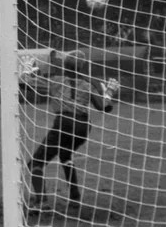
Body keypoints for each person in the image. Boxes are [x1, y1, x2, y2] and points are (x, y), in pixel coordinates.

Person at [26, 50, 119, 212]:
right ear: (82, 68)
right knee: (65, 156)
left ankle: (42, 203)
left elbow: (26, 83)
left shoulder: (56, 81)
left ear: (64, 65)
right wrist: (110, 91)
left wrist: (28, 69)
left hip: (65, 122)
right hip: (83, 126)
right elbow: (104, 106)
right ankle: (75, 198)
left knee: (36, 163)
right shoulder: (87, 84)